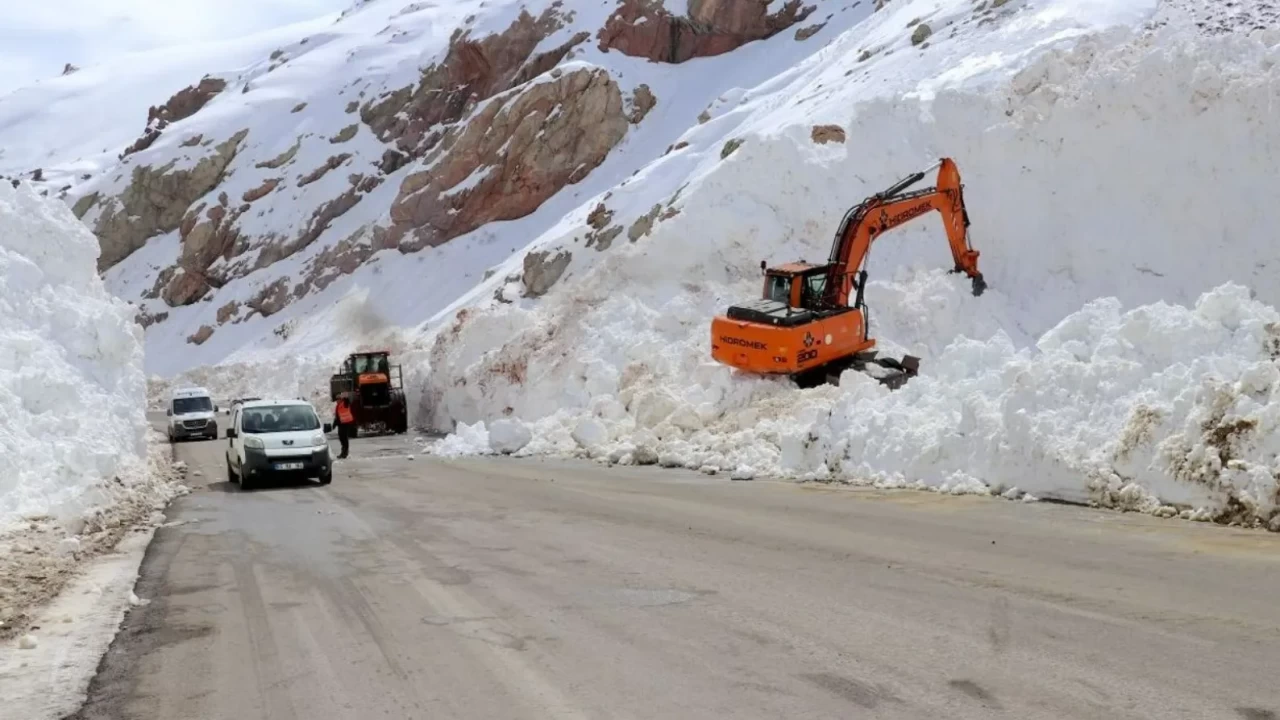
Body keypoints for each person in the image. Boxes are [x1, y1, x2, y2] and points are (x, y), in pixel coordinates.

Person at [333, 393, 355, 459]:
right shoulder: (338, 405)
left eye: (338, 399)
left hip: (346, 423)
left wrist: (345, 397)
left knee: (344, 438)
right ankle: (343, 452)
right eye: (336, 399)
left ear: (341, 399)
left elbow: (347, 401)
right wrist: (334, 424)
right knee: (341, 437)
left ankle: (345, 452)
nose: (337, 400)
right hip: (341, 424)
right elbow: (337, 416)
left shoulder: (344, 403)